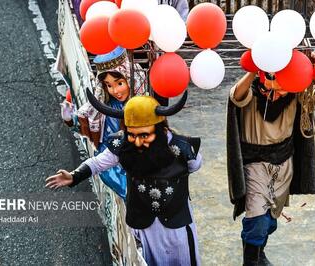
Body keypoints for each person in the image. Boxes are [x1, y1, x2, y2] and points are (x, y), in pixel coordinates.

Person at [47, 90, 202, 265]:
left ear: (161, 129)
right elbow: (98, 163)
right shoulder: (123, 145)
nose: (137, 142)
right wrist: (74, 176)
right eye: (132, 134)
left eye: (145, 135)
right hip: (144, 223)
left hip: (177, 223)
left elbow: (194, 165)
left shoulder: (181, 146)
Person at [226, 68, 315, 265]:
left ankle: (258, 253)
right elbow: (236, 96)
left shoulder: (297, 92)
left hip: (284, 164)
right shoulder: (251, 90)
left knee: (269, 219)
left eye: (283, 87)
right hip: (256, 164)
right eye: (272, 85)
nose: (277, 92)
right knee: (257, 218)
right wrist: (252, 69)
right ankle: (250, 261)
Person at [60, 46, 146, 199]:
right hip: (109, 161)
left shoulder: (144, 106)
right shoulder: (103, 107)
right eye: (109, 85)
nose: (115, 91)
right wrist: (69, 118)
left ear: (130, 79)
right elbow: (83, 122)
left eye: (119, 83)